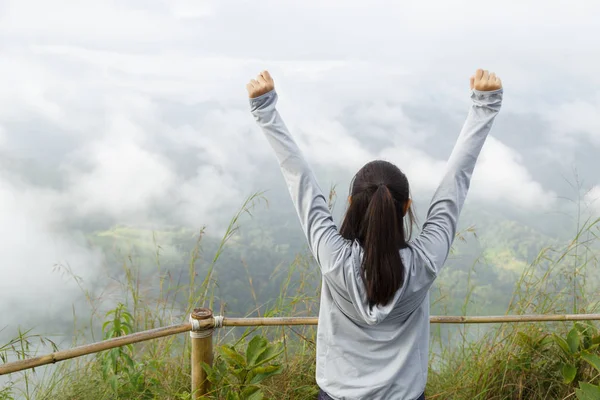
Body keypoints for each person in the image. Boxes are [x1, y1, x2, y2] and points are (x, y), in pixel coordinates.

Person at [246, 69, 503, 400]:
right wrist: (485, 103)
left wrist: (264, 107)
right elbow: (456, 182)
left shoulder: (333, 259)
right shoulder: (424, 263)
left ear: (351, 202)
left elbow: (301, 180)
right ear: (407, 205)